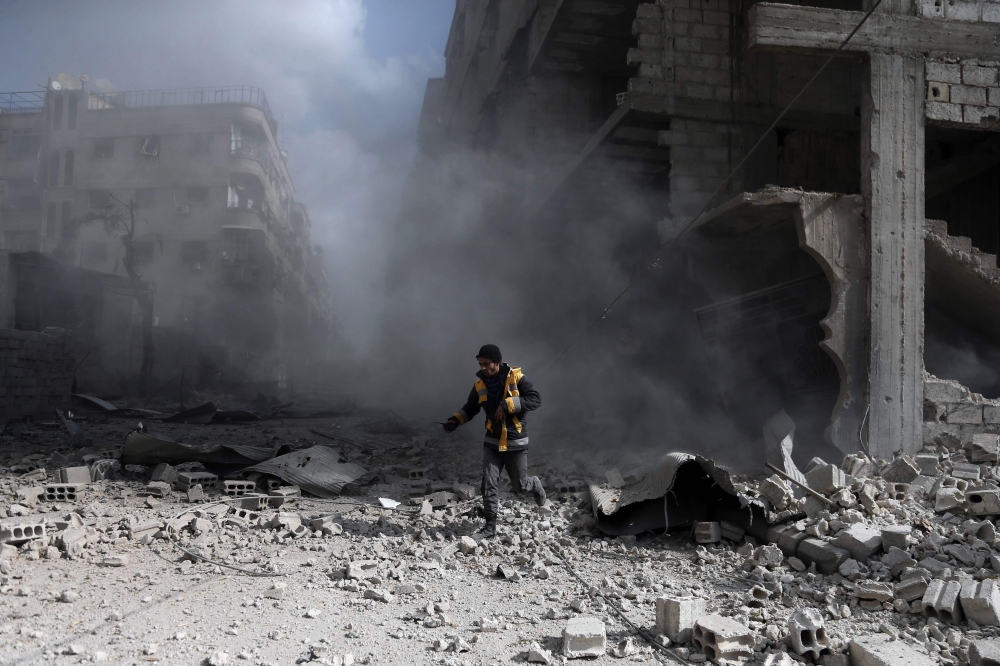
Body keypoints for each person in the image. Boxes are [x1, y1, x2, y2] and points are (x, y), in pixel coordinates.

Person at [442, 344, 546, 538]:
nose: (482, 368)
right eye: (480, 364)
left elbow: (536, 399)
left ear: (496, 363)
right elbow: (470, 408)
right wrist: (455, 421)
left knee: (520, 486)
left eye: (486, 364)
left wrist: (507, 404)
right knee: (489, 482)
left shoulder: (517, 378)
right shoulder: (479, 385)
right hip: (492, 442)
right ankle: (490, 527)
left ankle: (533, 484)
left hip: (516, 443)